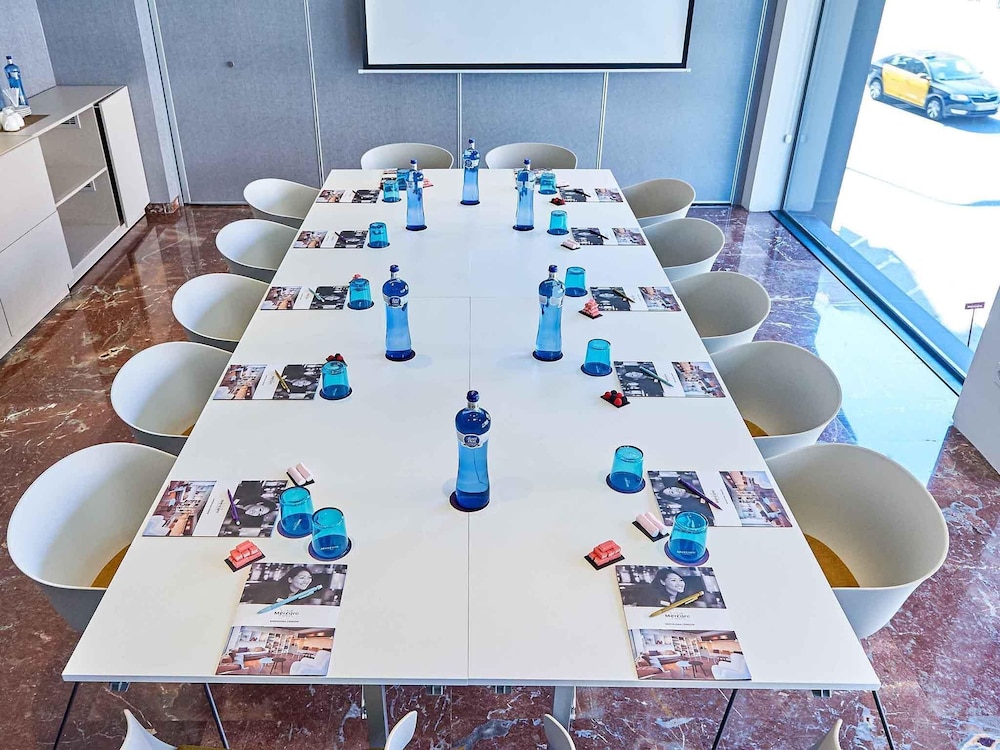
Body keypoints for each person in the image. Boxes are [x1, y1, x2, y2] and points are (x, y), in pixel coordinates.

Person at [246, 566, 318, 604]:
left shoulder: (303, 595)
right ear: (290, 579)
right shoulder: (272, 590)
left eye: (309, 578)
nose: (306, 581)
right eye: (302, 578)